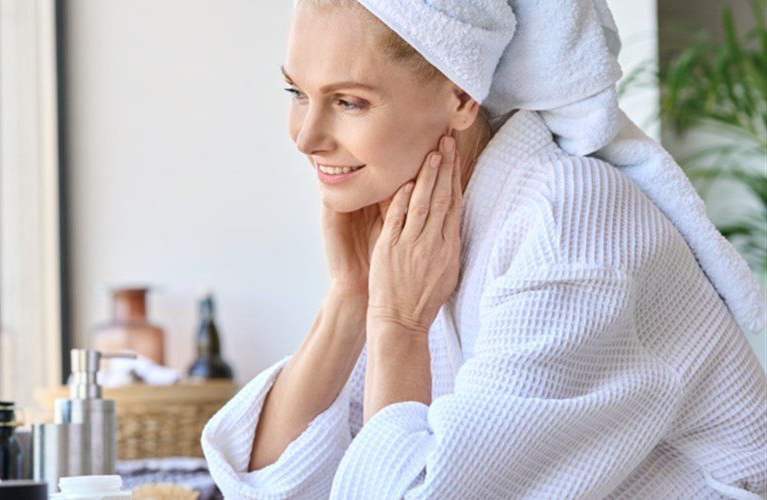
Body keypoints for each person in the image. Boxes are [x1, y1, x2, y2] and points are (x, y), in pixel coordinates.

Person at [199, 0, 767, 498]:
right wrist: (351, 298)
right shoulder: (420, 231)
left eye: (348, 102)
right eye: (296, 92)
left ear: (461, 96)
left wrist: (398, 326)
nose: (305, 136)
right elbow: (271, 481)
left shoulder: (569, 220)